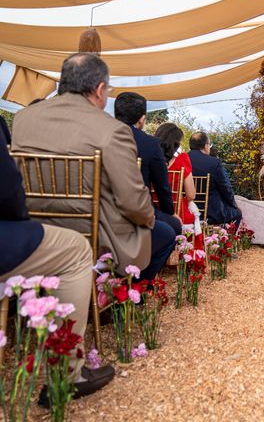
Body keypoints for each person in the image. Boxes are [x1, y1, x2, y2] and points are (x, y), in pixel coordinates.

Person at [11, 53, 174, 281]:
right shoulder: (112, 131)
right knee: (166, 233)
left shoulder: (23, 119)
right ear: (99, 89)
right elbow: (133, 203)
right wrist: (149, 219)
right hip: (96, 237)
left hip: (35, 229)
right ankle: (119, 297)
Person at [0, 129, 115, 400]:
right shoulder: (105, 132)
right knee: (77, 250)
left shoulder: (26, 123)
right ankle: (68, 373)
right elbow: (6, 189)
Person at [114, 92, 181, 237]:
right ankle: (143, 260)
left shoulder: (99, 136)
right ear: (142, 118)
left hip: (102, 209)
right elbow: (162, 186)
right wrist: (170, 212)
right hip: (138, 212)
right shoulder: (149, 144)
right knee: (174, 227)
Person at [188, 131, 242, 227]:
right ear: (205, 146)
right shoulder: (214, 162)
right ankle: (222, 241)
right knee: (237, 213)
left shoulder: (181, 160)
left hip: (187, 208)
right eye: (209, 144)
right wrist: (233, 204)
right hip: (210, 212)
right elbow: (225, 187)